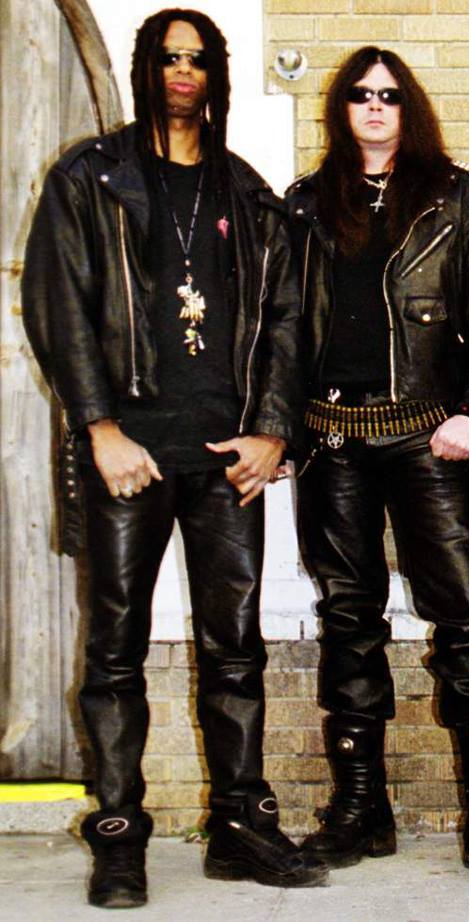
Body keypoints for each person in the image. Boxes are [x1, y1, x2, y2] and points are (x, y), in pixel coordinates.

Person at [21, 8, 326, 908]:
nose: (183, 71)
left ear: (216, 76)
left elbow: (286, 322)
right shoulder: (90, 178)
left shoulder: (249, 194)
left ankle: (238, 825)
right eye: (169, 57)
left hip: (227, 458)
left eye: (198, 59)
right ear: (146, 68)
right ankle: (119, 834)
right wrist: (99, 428)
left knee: (236, 649)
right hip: (132, 454)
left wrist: (272, 430)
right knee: (114, 649)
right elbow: (58, 306)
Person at [285, 47, 469, 886]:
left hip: (428, 436)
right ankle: (361, 809)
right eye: (361, 94)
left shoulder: (455, 197)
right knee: (348, 620)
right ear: (342, 108)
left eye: (389, 95)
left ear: (407, 106)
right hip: (332, 439)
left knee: (461, 615)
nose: (375, 106)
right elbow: (283, 327)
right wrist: (278, 430)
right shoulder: (307, 203)